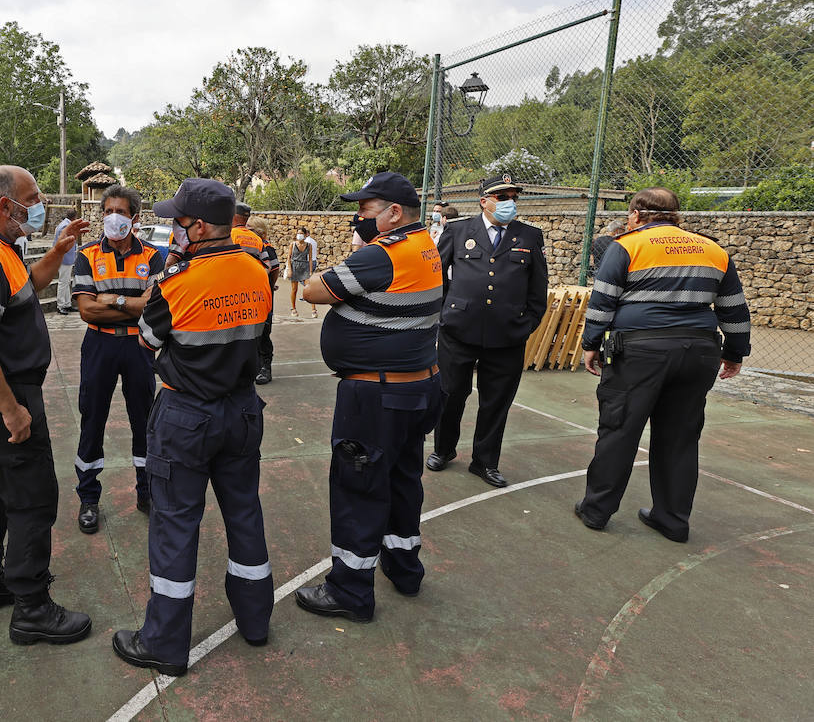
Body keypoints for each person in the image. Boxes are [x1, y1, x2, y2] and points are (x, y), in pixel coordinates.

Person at [111, 178, 273, 677]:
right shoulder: (257, 269)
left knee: (176, 523)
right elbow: (258, 333)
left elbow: (147, 339)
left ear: (198, 227)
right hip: (242, 411)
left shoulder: (177, 280)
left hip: (186, 416)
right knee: (244, 511)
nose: (172, 231)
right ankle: (255, 619)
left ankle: (163, 643)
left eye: (177, 223)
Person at [0, 165, 94, 645]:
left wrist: (58, 251)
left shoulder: (2, 247)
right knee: (32, 497)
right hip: (3, 395)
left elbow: (28, 285)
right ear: (6, 205)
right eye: (33, 199)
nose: (40, 206)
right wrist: (12, 409)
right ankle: (32, 606)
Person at [294, 172, 443, 623]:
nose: (358, 216)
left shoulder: (383, 254)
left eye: (365, 208)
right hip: (415, 386)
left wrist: (338, 271)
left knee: (358, 488)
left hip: (376, 395)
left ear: (394, 213)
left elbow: (313, 289)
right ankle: (404, 568)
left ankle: (350, 591)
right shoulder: (425, 245)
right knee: (401, 480)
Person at [574, 188, 750, 542]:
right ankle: (672, 521)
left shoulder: (626, 246)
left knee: (619, 429)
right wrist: (735, 352)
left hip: (640, 352)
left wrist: (591, 344)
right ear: (676, 215)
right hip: (698, 352)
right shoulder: (713, 250)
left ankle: (596, 510)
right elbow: (733, 307)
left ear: (636, 215)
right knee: (680, 438)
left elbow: (603, 301)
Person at [427, 173, 548, 488]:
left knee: (496, 402)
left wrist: (527, 324)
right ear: (484, 201)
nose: (510, 203)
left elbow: (538, 289)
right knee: (450, 394)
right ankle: (443, 449)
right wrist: (443, 315)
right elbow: (437, 277)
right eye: (502, 197)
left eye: (513, 197)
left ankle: (485, 462)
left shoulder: (530, 236)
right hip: (458, 331)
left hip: (507, 335)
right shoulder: (458, 231)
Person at [70, 184, 163, 534]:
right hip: (100, 345)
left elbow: (154, 309)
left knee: (144, 420)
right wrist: (134, 305)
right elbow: (86, 310)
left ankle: (146, 493)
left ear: (134, 217)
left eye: (120, 212)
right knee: (92, 418)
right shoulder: (87, 254)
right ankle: (88, 498)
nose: (112, 218)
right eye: (107, 211)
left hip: (139, 346)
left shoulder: (152, 256)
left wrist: (113, 300)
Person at [231, 202, 281, 384]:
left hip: (261, 296)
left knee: (262, 333)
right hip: (246, 296)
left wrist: (268, 285)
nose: (247, 231)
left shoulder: (266, 246)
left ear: (260, 232)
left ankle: (265, 367)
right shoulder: (251, 243)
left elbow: (273, 269)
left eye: (251, 229)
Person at [287, 226, 320, 317]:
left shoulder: (309, 245)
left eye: (301, 233)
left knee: (309, 288)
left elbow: (310, 259)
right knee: (294, 289)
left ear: (305, 235)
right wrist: (289, 269)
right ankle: (293, 308)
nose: (299, 235)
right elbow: (289, 257)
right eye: (298, 233)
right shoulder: (293, 244)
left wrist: (310, 271)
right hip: (294, 266)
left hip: (305, 267)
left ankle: (314, 310)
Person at [53, 212, 78, 315]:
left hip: (67, 257)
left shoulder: (65, 224)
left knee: (67, 281)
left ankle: (67, 304)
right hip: (64, 258)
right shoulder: (65, 226)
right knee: (63, 282)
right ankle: (60, 305)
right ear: (74, 217)